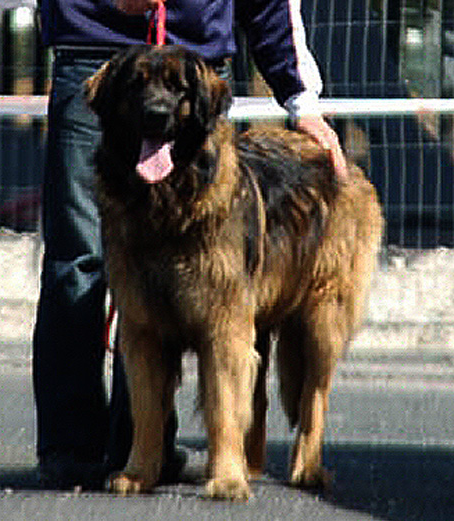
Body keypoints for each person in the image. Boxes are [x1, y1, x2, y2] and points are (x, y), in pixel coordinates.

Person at [34, 0, 348, 490]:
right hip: (92, 53)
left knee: (216, 307)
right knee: (78, 264)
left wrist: (301, 100)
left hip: (195, 70)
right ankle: (71, 451)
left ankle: (143, 450)